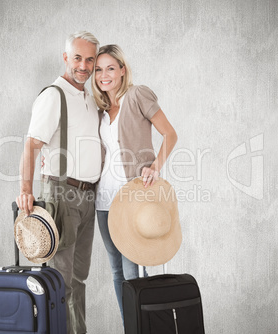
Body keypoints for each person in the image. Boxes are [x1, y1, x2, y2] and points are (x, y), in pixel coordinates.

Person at [16, 31, 101, 334]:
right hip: (63, 196)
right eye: (77, 57)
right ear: (66, 57)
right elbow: (31, 145)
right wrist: (26, 190)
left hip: (88, 198)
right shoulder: (54, 95)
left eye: (90, 59)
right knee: (60, 280)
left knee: (78, 279)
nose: (84, 65)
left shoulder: (89, 98)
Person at [91, 44, 178, 322]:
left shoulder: (137, 95)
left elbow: (170, 134)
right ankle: (132, 325)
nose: (104, 75)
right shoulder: (101, 110)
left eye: (111, 68)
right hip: (104, 201)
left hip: (133, 199)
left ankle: (148, 326)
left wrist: (155, 167)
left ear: (122, 70)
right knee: (117, 271)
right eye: (99, 70)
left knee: (134, 272)